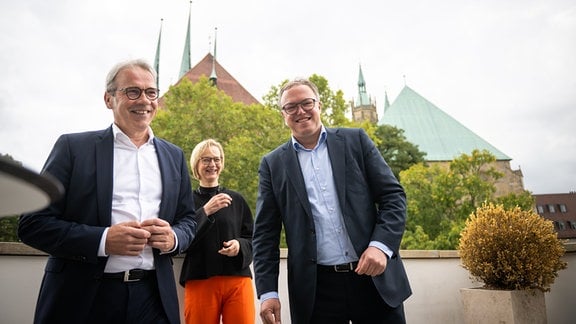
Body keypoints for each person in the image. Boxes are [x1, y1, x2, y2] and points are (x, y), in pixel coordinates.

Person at [18, 59, 198, 324]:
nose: (145, 100)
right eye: (132, 91)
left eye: (151, 92)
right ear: (108, 99)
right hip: (85, 298)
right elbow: (32, 224)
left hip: (154, 299)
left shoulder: (174, 156)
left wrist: (174, 238)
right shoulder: (73, 148)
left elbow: (189, 220)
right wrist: (103, 240)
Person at [252, 78, 412, 324]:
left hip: (373, 281)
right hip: (316, 292)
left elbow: (393, 197)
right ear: (283, 114)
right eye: (291, 107)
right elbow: (264, 235)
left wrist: (381, 246)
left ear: (319, 105)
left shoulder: (356, 141)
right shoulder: (273, 165)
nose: (300, 111)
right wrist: (268, 293)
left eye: (306, 103)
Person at [179, 139, 256, 324]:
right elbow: (180, 238)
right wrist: (206, 211)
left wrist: (239, 245)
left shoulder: (236, 199)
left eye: (216, 159)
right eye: (206, 159)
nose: (212, 164)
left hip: (238, 279)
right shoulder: (186, 200)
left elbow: (253, 239)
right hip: (200, 279)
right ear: (196, 164)